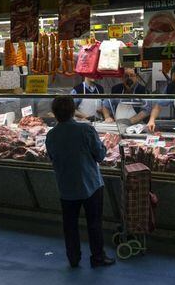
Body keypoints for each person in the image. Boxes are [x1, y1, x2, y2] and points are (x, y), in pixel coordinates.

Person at [45, 96, 115, 269]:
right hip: (90, 185)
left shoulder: (51, 135)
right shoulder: (85, 130)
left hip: (66, 187)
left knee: (70, 225)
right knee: (94, 223)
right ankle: (98, 258)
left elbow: (52, 157)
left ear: (54, 114)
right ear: (72, 111)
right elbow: (99, 155)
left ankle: (73, 258)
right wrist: (106, 144)